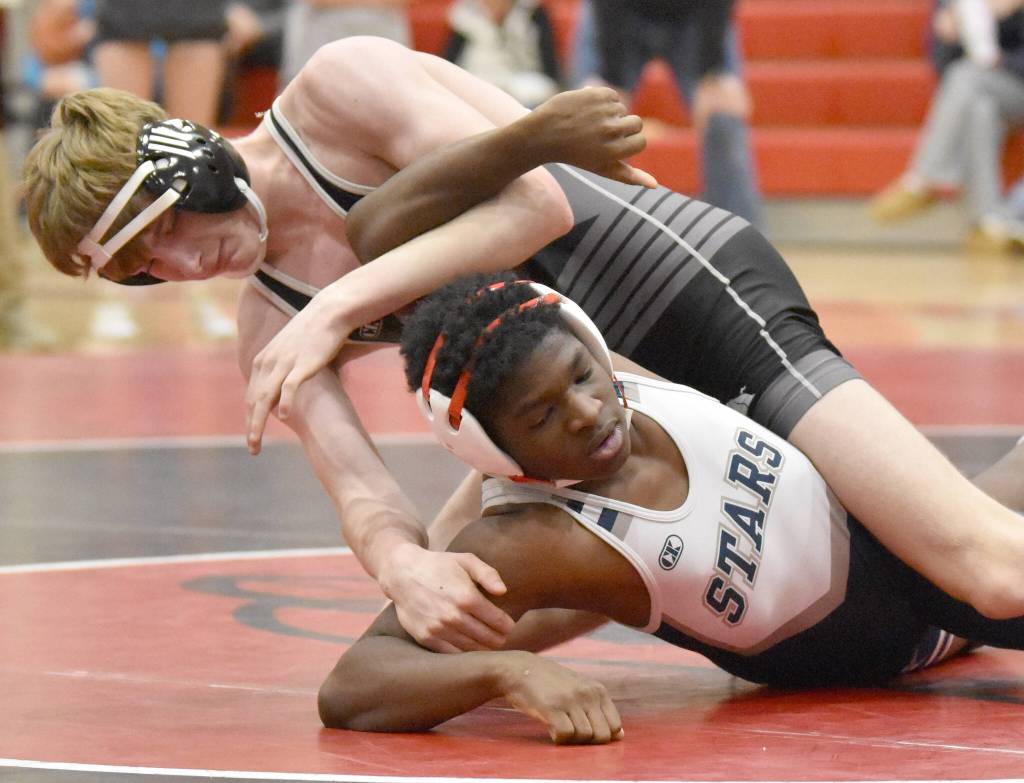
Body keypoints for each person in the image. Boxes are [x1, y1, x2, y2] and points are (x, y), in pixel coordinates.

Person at [20, 36, 1024, 660]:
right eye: (145, 270)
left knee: (987, 572)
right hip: (604, 394)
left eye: (167, 227)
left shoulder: (335, 95)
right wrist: (403, 568)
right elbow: (359, 488)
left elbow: (536, 201)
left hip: (681, 293)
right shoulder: (273, 325)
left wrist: (337, 309)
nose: (186, 265)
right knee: (417, 645)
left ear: (182, 160)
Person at [317, 276, 1024, 744]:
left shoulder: (619, 369)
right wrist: (509, 673)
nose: (592, 411)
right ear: (494, 448)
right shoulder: (530, 537)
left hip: (896, 538)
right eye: (544, 415)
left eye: (583, 375)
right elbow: (353, 684)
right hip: (878, 628)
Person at [585, 0, 763, 228]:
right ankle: (586, 238)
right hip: (616, 12)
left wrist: (712, 69)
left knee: (722, 116)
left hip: (697, 16)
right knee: (592, 118)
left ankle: (738, 242)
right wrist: (612, 76)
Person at [870, 0, 1024, 248]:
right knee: (979, 110)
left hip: (1014, 82)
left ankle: (926, 178)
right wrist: (952, 36)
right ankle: (989, 221)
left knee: (964, 77)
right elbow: (940, 63)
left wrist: (1010, 17)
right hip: (982, 89)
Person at [444, 0, 563, 109]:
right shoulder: (464, 16)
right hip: (479, 80)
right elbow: (451, 60)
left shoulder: (532, 12)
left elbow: (548, 60)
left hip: (524, 82)